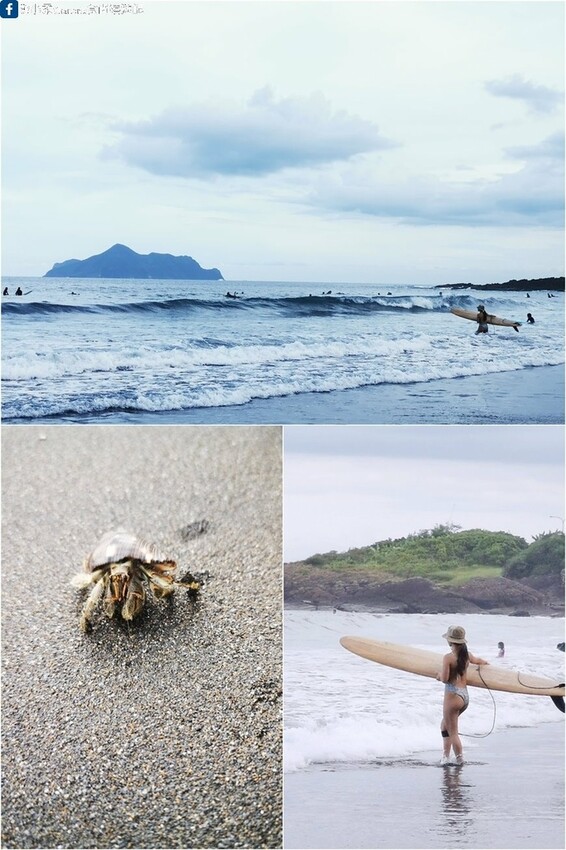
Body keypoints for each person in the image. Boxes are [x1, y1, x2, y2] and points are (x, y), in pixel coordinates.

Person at [436, 625, 488, 765]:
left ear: (450, 641)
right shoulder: (467, 655)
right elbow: (481, 662)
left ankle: (459, 760)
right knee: (444, 726)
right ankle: (445, 757)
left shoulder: (448, 658)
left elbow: (446, 679)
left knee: (453, 732)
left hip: (452, 695)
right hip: (464, 696)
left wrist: (439, 675)